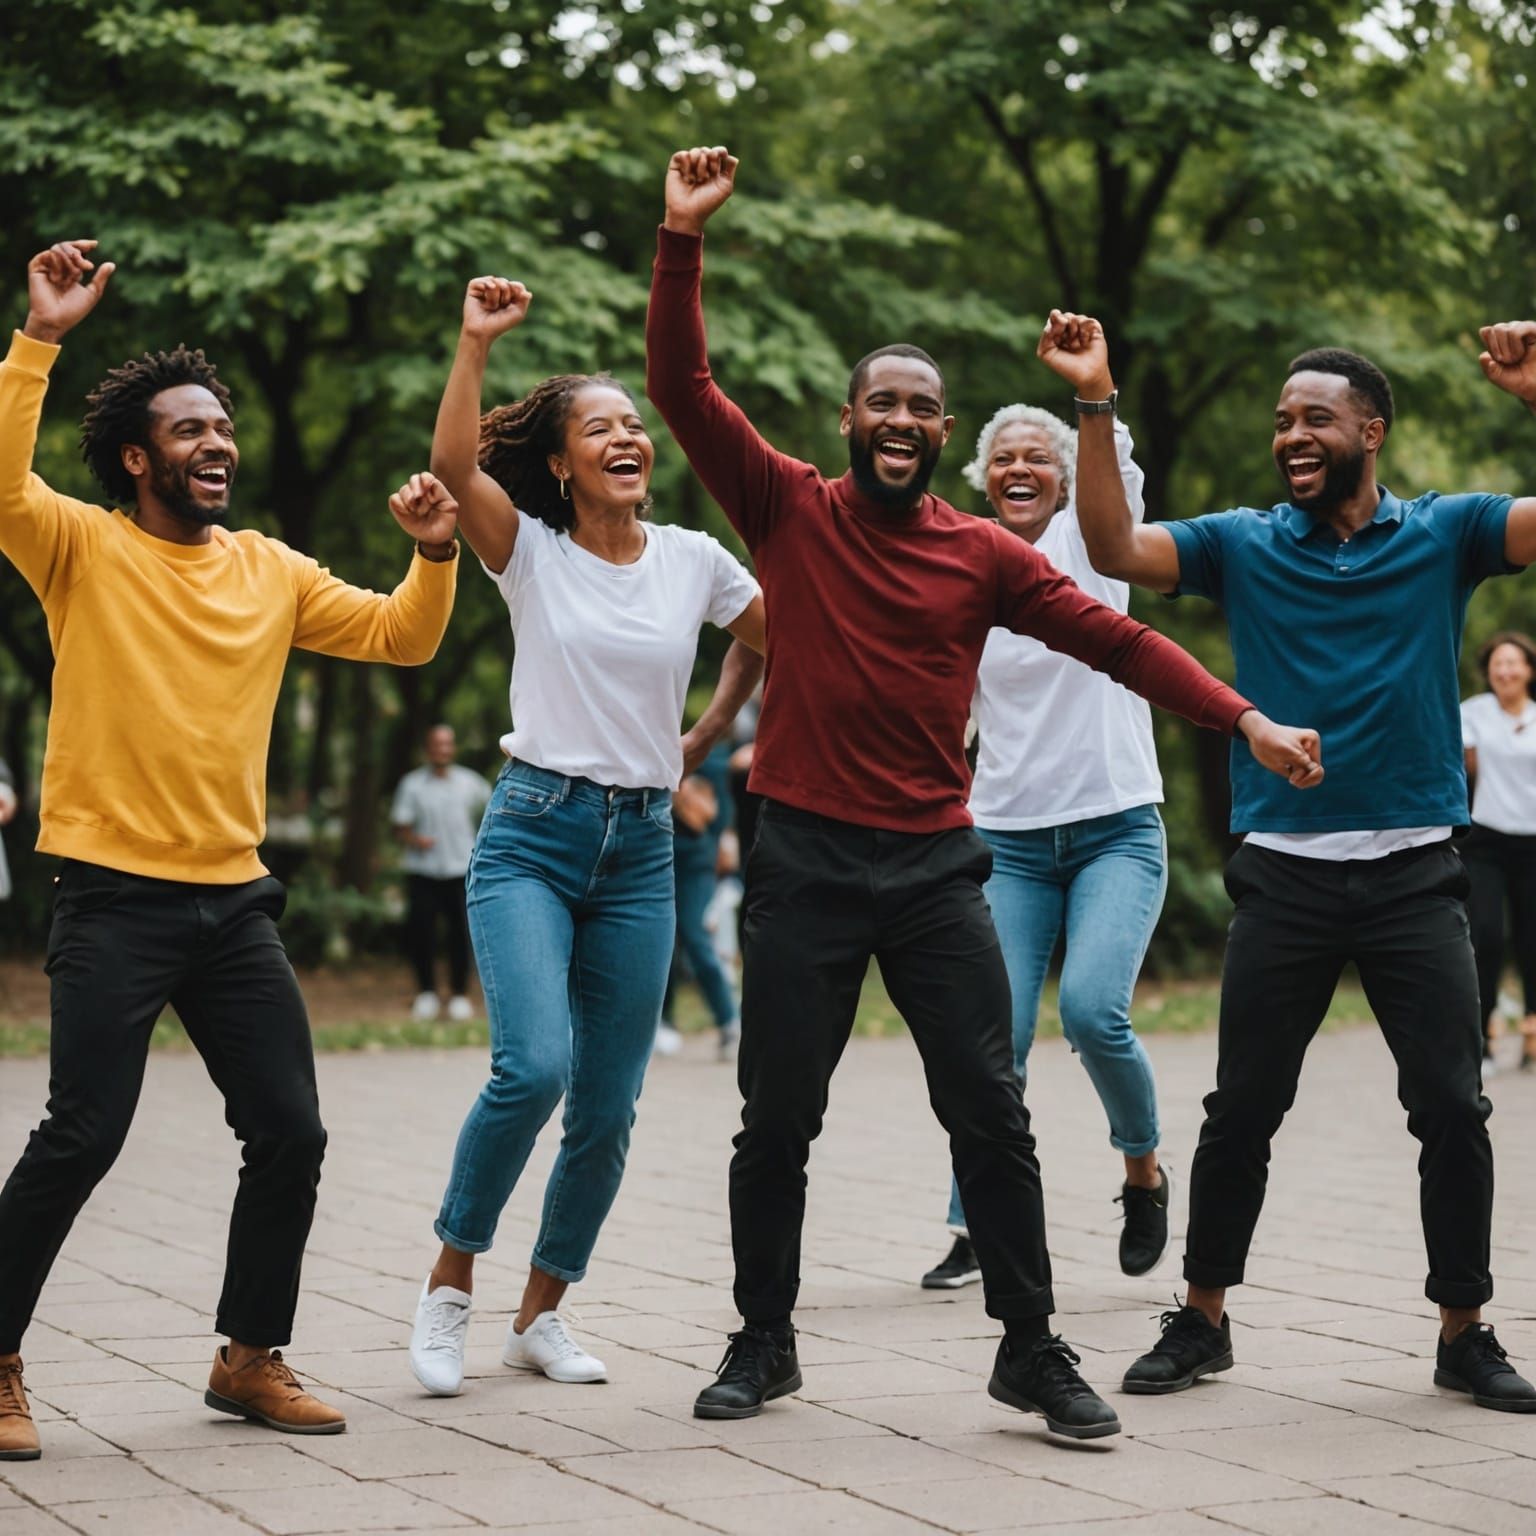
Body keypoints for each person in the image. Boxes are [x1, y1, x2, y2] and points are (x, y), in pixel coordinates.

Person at [646, 146, 1322, 1440]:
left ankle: (1029, 1348)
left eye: (922, 406)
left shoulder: (982, 556)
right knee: (775, 1120)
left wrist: (1244, 719)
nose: (901, 420)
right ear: (850, 421)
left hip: (935, 869)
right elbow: (682, 385)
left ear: (942, 432)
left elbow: (1119, 641)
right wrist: (683, 239)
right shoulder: (786, 509)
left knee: (992, 1113)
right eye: (881, 403)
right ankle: (764, 1340)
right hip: (803, 862)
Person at [0, 240, 461, 1461]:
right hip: (113, 897)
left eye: (224, 427)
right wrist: (38, 341)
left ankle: (249, 1356)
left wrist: (432, 552)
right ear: (138, 457)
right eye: (190, 429)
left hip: (232, 904)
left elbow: (401, 638)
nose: (218, 443)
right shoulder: (82, 547)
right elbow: (1, 484)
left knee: (291, 1131)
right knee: (82, 1134)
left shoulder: (269, 570)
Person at [1046, 306, 1536, 1413]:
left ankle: (1464, 1330)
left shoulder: (1447, 532)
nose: (1292, 437)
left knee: (1452, 1108)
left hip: (1416, 870)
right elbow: (1116, 551)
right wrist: (1094, 400)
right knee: (1243, 1111)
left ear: (1372, 430)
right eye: (1281, 422)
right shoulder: (1243, 542)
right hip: (1285, 872)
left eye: (1316, 419)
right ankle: (1203, 1318)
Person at [407, 272, 765, 1398]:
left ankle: (541, 1313)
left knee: (608, 1108)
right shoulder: (531, 552)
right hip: (533, 834)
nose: (627, 438)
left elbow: (779, 633)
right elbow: (455, 463)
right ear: (561, 462)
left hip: (643, 850)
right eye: (600, 427)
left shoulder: (694, 560)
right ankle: (449, 1287)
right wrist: (475, 343)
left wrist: (704, 733)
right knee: (534, 1070)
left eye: (634, 425)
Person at [921, 402, 1172, 1295]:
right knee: (993, 1040)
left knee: (1094, 1013)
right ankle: (974, 1226)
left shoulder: (1092, 543)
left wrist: (1092, 395)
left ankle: (1142, 1172)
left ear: (1066, 477)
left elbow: (1116, 465)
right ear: (983, 478)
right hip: (1008, 840)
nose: (1019, 468)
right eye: (1003, 458)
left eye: (1038, 457)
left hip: (1115, 827)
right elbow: (946, 708)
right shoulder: (964, 562)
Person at [1461, 631, 1536, 1073]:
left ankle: (1531, 1031)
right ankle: (1483, 1037)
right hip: (1485, 839)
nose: (1505, 671)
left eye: (1513, 663)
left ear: (1528, 669)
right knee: (1486, 935)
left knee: (1532, 939)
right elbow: (1463, 765)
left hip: (1533, 840)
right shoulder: (1473, 712)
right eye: (1497, 664)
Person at [390, 724, 491, 1022]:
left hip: (461, 870)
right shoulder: (412, 785)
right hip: (423, 872)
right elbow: (400, 826)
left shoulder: (472, 784)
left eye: (447, 744)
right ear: (428, 748)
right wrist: (414, 839)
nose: (442, 750)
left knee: (461, 935)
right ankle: (426, 994)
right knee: (422, 934)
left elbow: (492, 819)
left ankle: (459, 995)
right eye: (437, 744)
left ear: (453, 748)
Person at [654, 740, 742, 1061]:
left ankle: (729, 1020)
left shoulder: (708, 759)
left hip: (693, 862)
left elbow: (720, 817)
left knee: (695, 937)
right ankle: (662, 1023)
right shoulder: (647, 748)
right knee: (658, 943)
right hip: (653, 855)